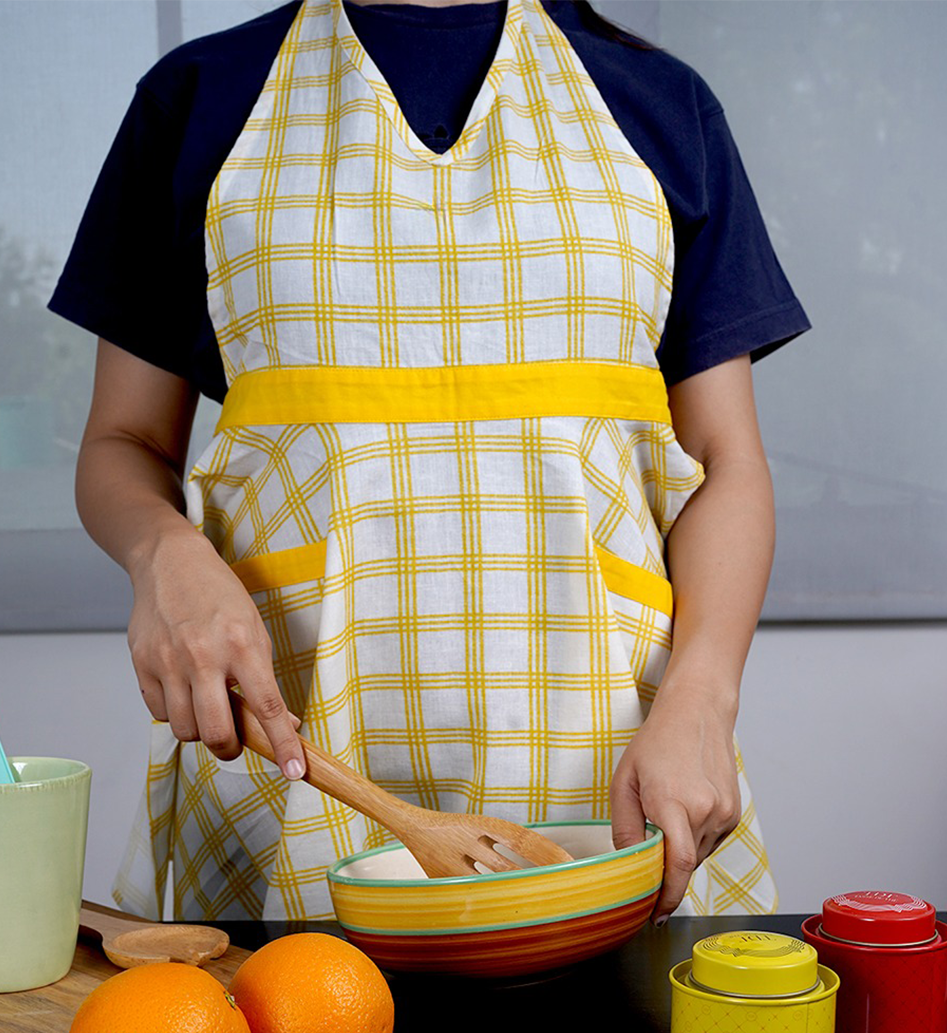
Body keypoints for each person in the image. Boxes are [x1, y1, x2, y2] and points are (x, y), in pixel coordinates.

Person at [51, 0, 809, 922]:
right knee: (291, 1015)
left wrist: (705, 697)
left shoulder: (661, 105)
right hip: (298, 755)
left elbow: (726, 462)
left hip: (614, 765)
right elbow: (123, 444)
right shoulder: (199, 98)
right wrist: (162, 554)